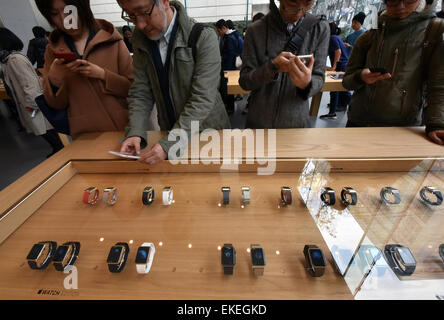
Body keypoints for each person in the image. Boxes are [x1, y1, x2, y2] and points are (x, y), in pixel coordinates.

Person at [118, 0, 230, 164]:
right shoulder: (140, 40)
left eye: (143, 12)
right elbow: (141, 91)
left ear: (164, 2)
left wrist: (170, 143)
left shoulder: (202, 36)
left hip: (209, 136)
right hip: (169, 133)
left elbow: (202, 98)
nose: (140, 24)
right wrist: (135, 131)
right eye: (131, 16)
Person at [343, 0, 444, 145]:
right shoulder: (372, 31)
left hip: (403, 129)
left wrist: (437, 124)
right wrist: (360, 77)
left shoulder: (435, 30)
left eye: (409, 1)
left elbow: (439, 86)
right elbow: (347, 81)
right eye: (393, 1)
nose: (400, 7)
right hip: (358, 121)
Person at [35, 0, 133, 139]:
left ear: (82, 6)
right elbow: (55, 105)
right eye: (54, 14)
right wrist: (55, 80)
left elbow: (133, 89)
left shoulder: (113, 40)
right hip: (83, 135)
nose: (65, 20)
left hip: (123, 131)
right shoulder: (52, 51)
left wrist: (103, 75)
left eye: (69, 11)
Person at [239, 0, 329, 129]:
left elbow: (319, 77)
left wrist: (307, 85)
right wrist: (272, 67)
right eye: (293, 5)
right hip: (259, 123)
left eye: (307, 6)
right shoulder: (255, 30)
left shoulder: (319, 28)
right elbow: (245, 82)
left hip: (296, 125)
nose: (299, 12)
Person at [0, 28, 64, 157]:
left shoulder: (14, 60)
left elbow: (28, 83)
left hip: (31, 102)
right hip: (28, 101)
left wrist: (32, 104)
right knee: (41, 126)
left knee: (41, 127)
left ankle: (59, 148)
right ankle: (58, 147)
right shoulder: (8, 60)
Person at [320, 22, 351, 119]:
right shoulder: (335, 38)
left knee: (335, 89)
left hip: (341, 66)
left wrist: (334, 67)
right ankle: (333, 111)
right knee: (336, 89)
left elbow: (338, 52)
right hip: (342, 65)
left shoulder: (333, 38)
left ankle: (333, 112)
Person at [216, 19, 239, 114]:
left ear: (224, 28)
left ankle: (229, 109)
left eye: (218, 31)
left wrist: (222, 61)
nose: (219, 33)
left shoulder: (229, 38)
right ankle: (230, 108)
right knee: (229, 90)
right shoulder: (232, 36)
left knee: (227, 90)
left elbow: (230, 55)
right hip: (230, 68)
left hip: (228, 69)